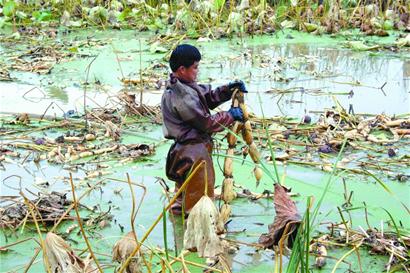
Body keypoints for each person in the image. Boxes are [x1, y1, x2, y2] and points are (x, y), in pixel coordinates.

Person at [161, 44, 247, 215]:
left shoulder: (183, 86)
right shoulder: (181, 96)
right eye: (195, 67)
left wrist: (227, 90)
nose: (197, 71)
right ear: (182, 69)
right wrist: (229, 115)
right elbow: (206, 123)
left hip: (184, 152)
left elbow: (205, 99)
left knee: (183, 199)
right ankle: (197, 237)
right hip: (193, 153)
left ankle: (178, 232)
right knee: (199, 203)